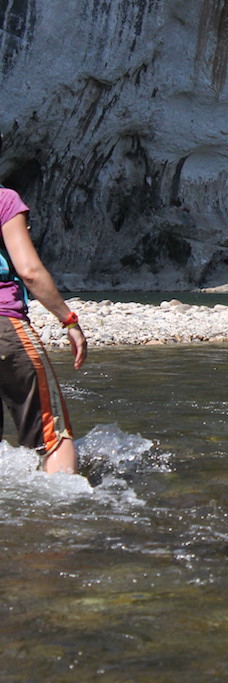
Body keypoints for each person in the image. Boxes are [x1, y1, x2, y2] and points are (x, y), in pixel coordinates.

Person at [0, 182, 88, 474]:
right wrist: (69, 320)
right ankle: (65, 500)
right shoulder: (4, 199)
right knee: (54, 436)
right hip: (4, 326)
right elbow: (29, 272)